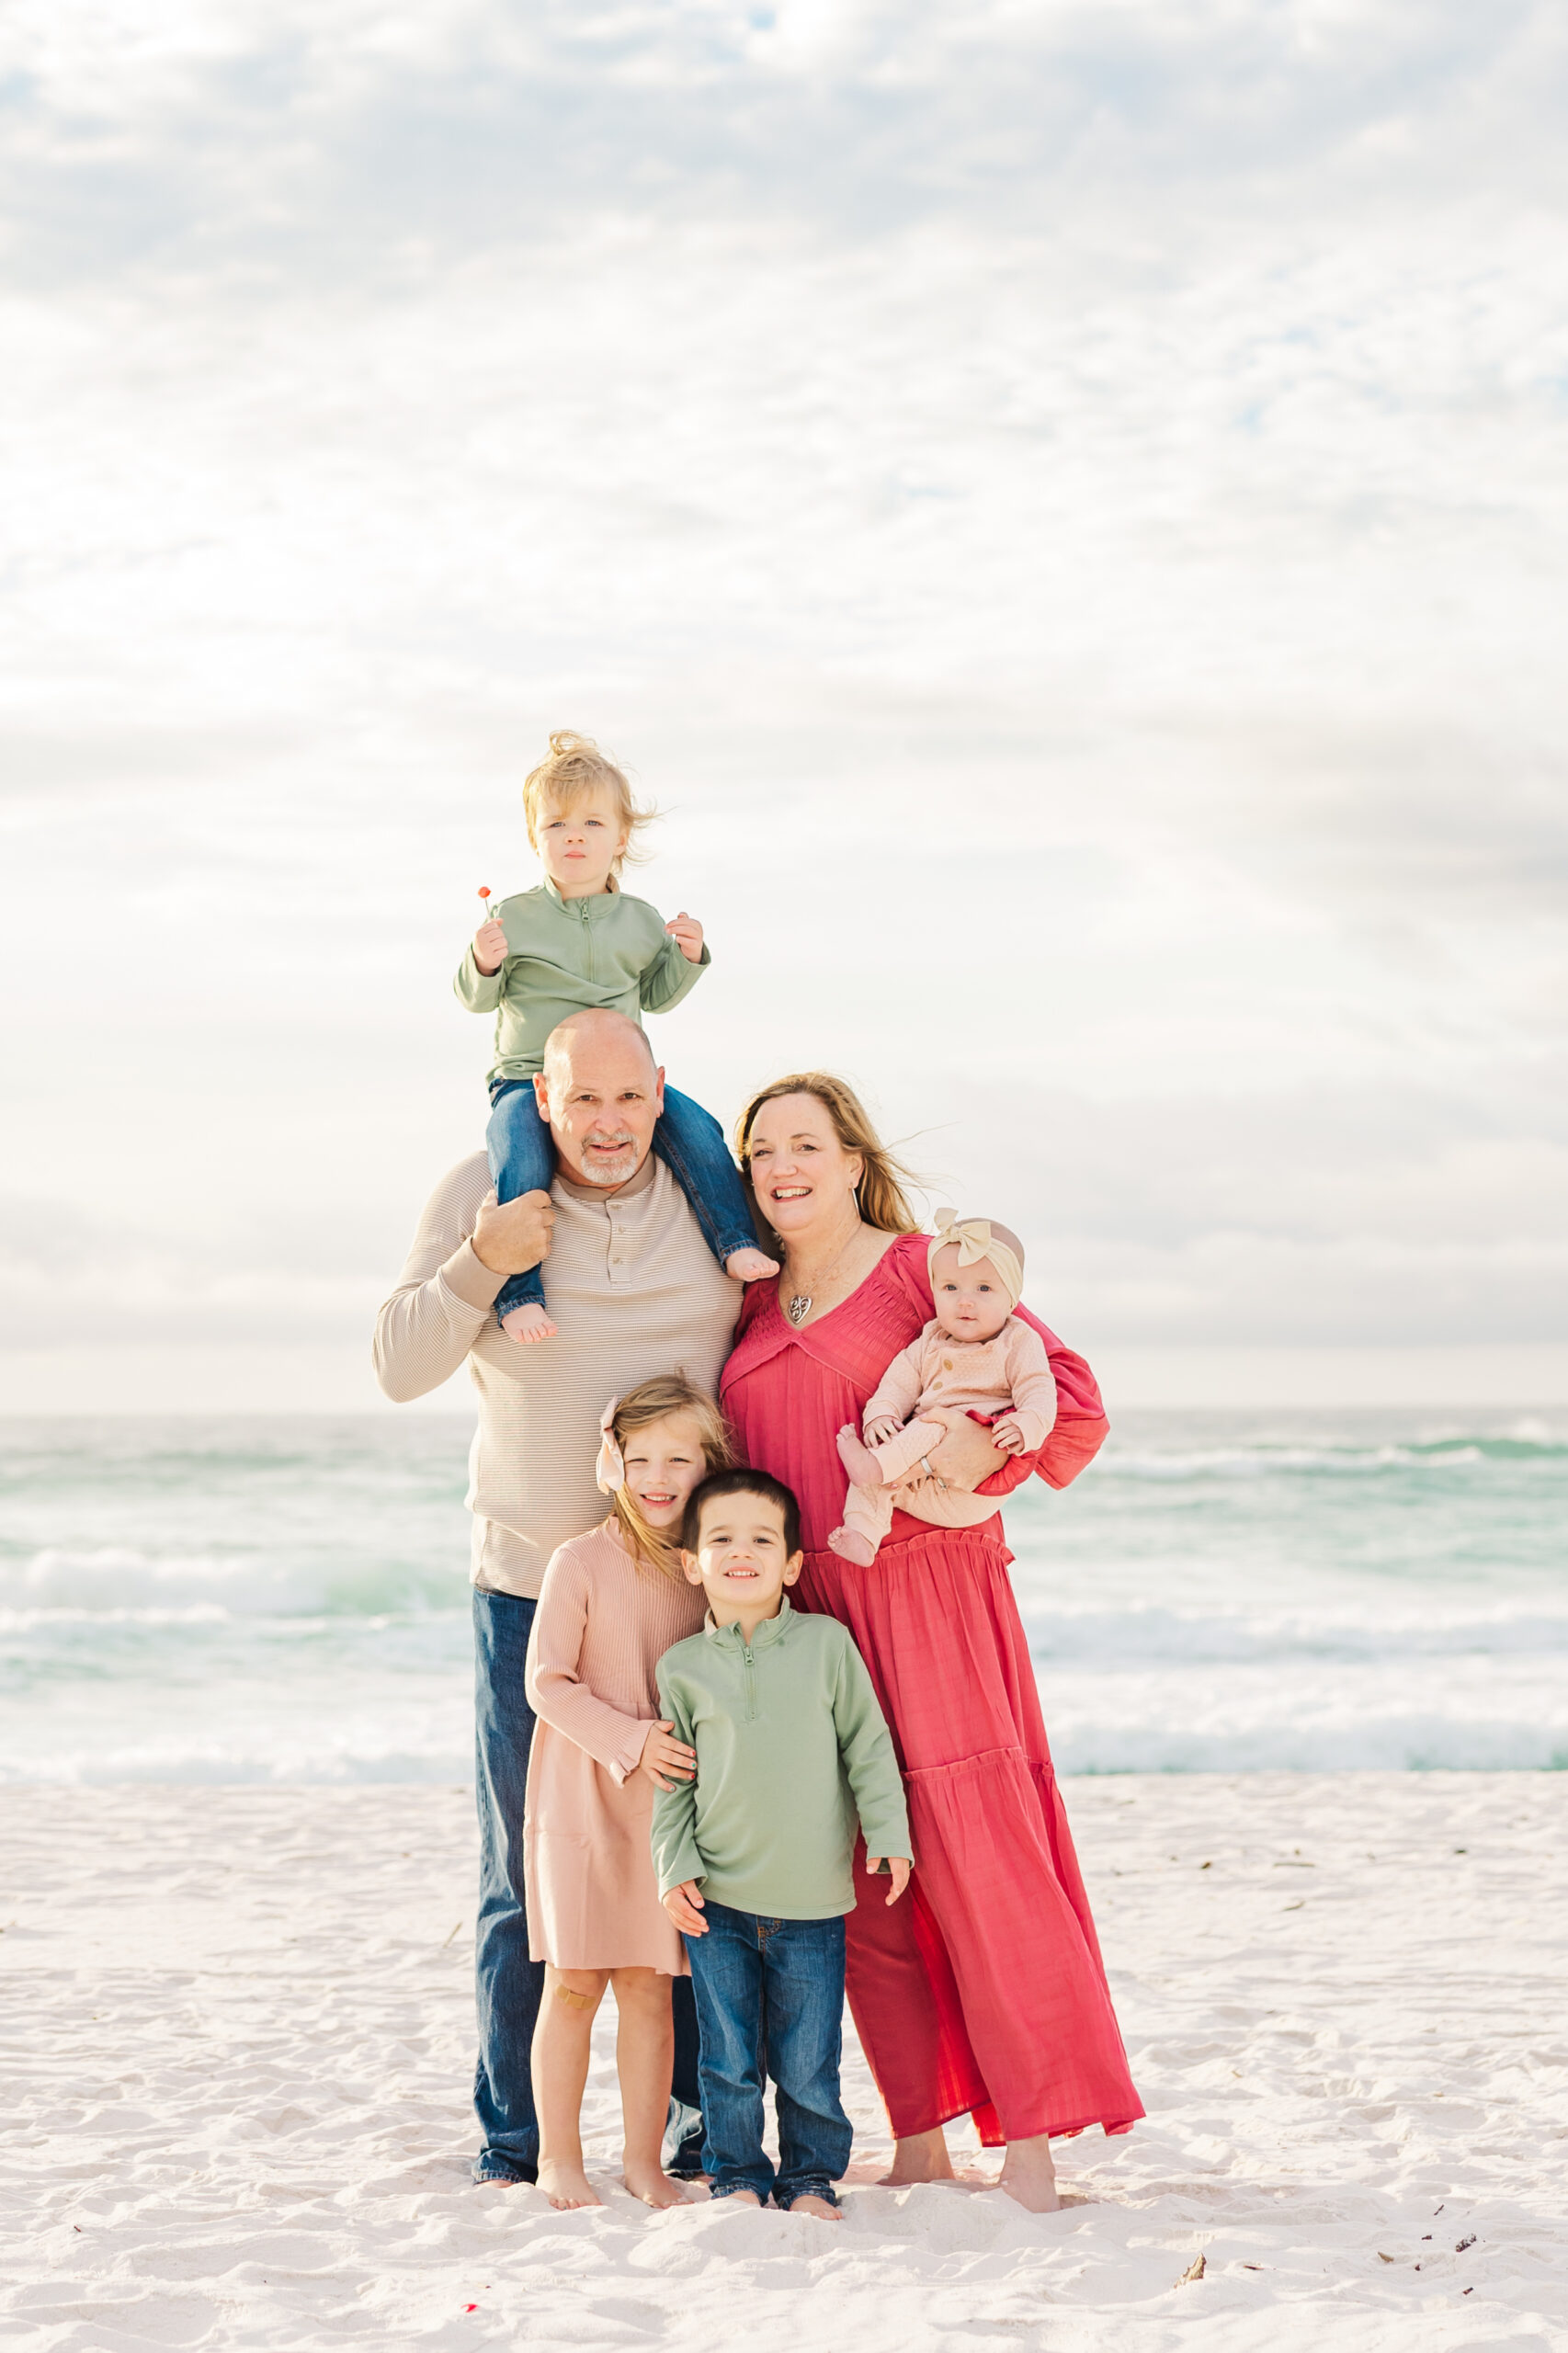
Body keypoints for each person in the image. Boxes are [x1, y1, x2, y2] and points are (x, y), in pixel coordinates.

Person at [719, 1073, 1144, 2213]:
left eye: (804, 1144)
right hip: (811, 1622)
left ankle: (1038, 2137)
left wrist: (974, 1465)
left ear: (851, 1157)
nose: (781, 1168)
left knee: (977, 1854)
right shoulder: (751, 1305)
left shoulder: (922, 1266)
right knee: (864, 1874)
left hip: (929, 1596)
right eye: (760, 1151)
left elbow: (1069, 1396)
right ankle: (919, 2135)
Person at [372, 1007, 743, 2188]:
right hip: (529, 1587)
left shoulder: (704, 1186)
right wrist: (483, 1257)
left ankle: (693, 2121)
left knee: (696, 1866)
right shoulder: (484, 1188)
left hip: (687, 1595)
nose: (608, 1125)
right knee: (522, 1876)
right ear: (541, 1098)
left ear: (662, 1094)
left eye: (630, 1099)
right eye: (583, 1099)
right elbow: (397, 1364)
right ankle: (516, 2140)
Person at [453, 730, 776, 1343]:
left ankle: (733, 1241)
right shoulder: (512, 917)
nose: (574, 836)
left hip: (620, 1082)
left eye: (592, 823)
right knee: (516, 1152)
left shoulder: (639, 920)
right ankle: (520, 1294)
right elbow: (475, 998)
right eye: (556, 825)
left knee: (697, 1129)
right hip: (528, 1075)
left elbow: (657, 996)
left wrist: (688, 955)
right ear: (534, 839)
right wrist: (484, 961)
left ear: (621, 838)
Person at [653, 1469, 912, 2218]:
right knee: (727, 2060)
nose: (742, 1552)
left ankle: (807, 2179)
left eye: (762, 1539)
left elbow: (868, 1744)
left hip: (811, 1902)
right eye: (721, 1538)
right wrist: (673, 1868)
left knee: (807, 2061)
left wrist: (889, 1832)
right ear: (691, 1563)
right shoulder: (681, 1667)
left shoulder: (827, 1646)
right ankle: (737, 2174)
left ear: (792, 1564)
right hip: (718, 1901)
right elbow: (675, 1783)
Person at [523, 1377, 733, 2212]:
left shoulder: (706, 1569)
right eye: (638, 1456)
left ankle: (644, 2163)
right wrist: (630, 1739)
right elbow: (547, 1683)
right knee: (573, 1984)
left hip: (667, 1803)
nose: (657, 1475)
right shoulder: (577, 1560)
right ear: (610, 1462)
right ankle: (558, 2159)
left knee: (651, 1986)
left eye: (679, 1458)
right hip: (581, 1793)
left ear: (708, 1465)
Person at [831, 1208, 1059, 1563]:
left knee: (930, 1423)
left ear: (1011, 1296)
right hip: (919, 1484)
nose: (964, 1300)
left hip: (970, 1489)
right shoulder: (931, 1339)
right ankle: (863, 1535)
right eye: (950, 1287)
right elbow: (898, 1382)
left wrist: (1027, 1425)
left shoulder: (1017, 1340)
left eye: (984, 1288)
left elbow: (1040, 1390)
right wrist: (881, 1414)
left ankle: (874, 1466)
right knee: (876, 1475)